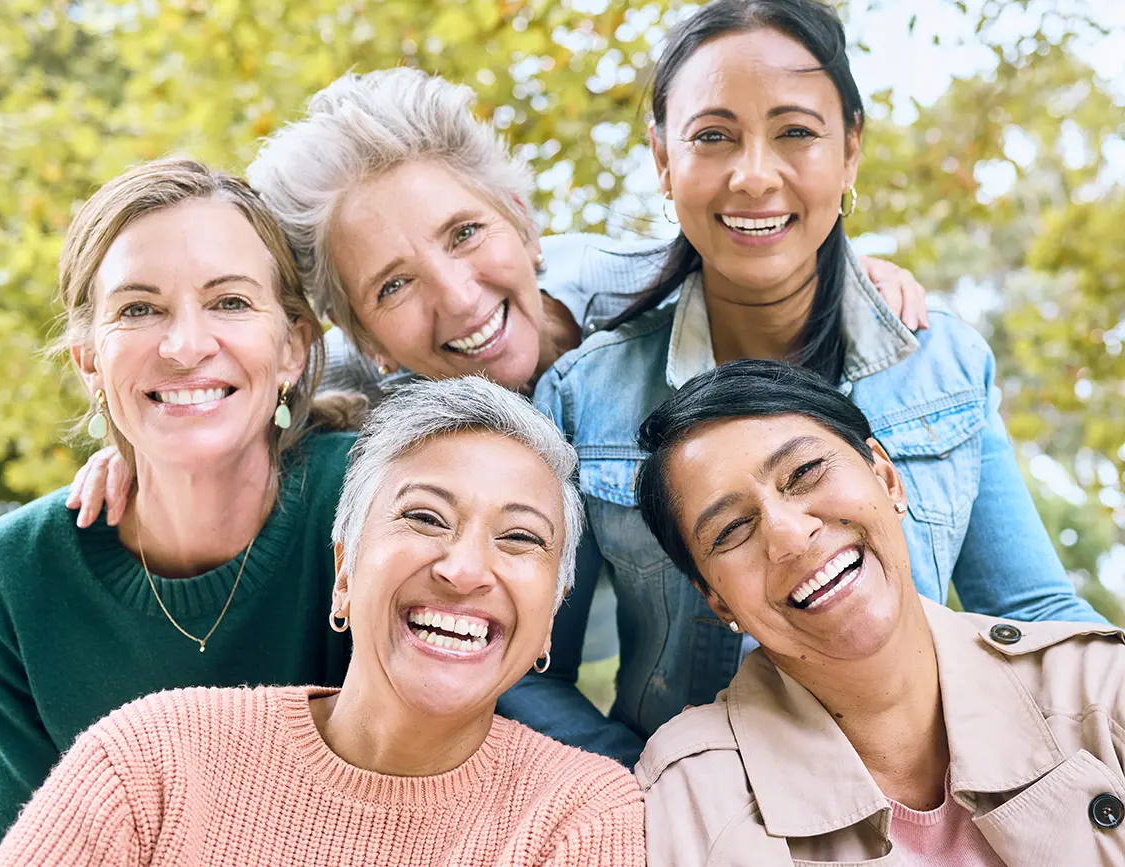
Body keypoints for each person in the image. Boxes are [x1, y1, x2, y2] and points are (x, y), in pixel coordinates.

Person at [513, 0, 1104, 766]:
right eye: (713, 136)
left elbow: (1037, 613)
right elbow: (531, 664)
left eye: (795, 132)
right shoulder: (585, 395)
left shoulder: (942, 361)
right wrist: (653, 790)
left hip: (925, 795)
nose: (754, 175)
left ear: (851, 148)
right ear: (662, 158)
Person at [65, 64, 927, 528]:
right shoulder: (369, 404)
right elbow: (238, 395)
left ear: (520, 217)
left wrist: (852, 273)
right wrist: (144, 452)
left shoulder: (653, 285)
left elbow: (770, 246)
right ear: (365, 336)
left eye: (466, 233)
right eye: (394, 284)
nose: (458, 297)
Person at [0, 378, 646, 867]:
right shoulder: (152, 757)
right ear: (344, 571)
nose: (465, 568)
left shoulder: (581, 815)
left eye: (520, 537)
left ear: (551, 614)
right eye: (424, 517)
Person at [0, 158, 359, 858]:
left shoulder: (371, 502)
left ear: (293, 347)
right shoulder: (14, 576)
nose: (184, 346)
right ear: (89, 361)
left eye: (230, 302)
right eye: (139, 309)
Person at [634, 359, 1125, 866]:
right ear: (716, 599)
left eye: (804, 473)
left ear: (887, 479)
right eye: (732, 529)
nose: (789, 536)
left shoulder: (1098, 688)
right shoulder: (693, 799)